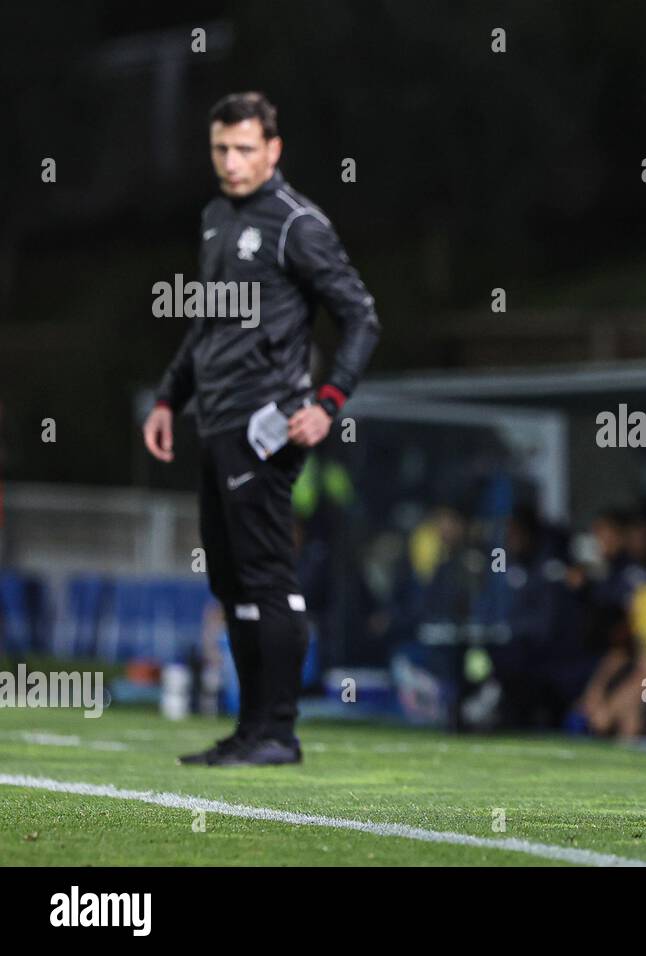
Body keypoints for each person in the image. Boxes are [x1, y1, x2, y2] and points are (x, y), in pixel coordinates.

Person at [143, 92, 381, 766]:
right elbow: (208, 321)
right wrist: (168, 397)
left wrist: (329, 402)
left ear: (273, 150)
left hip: (265, 424)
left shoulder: (297, 224)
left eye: (245, 148)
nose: (232, 160)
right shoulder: (216, 216)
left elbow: (362, 317)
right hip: (213, 418)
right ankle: (250, 729)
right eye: (221, 147)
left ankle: (279, 731)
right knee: (230, 582)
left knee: (266, 576)